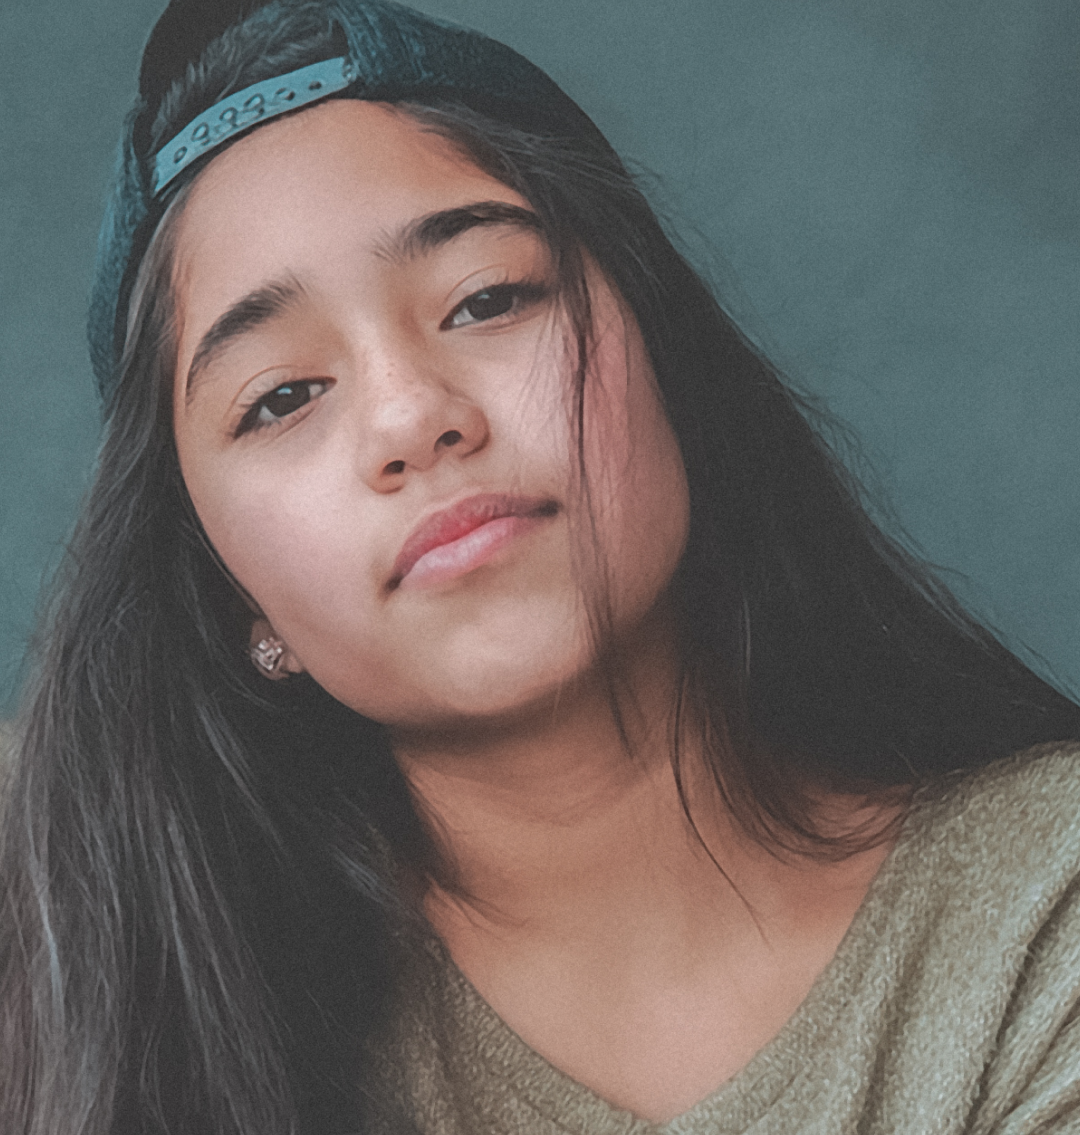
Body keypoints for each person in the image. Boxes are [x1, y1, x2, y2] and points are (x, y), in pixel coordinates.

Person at [2, 1, 1080, 1132]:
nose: (414, 416)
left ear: (669, 363)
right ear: (229, 594)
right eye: (282, 397)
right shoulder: (126, 993)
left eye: (488, 299)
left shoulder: (1035, 912)